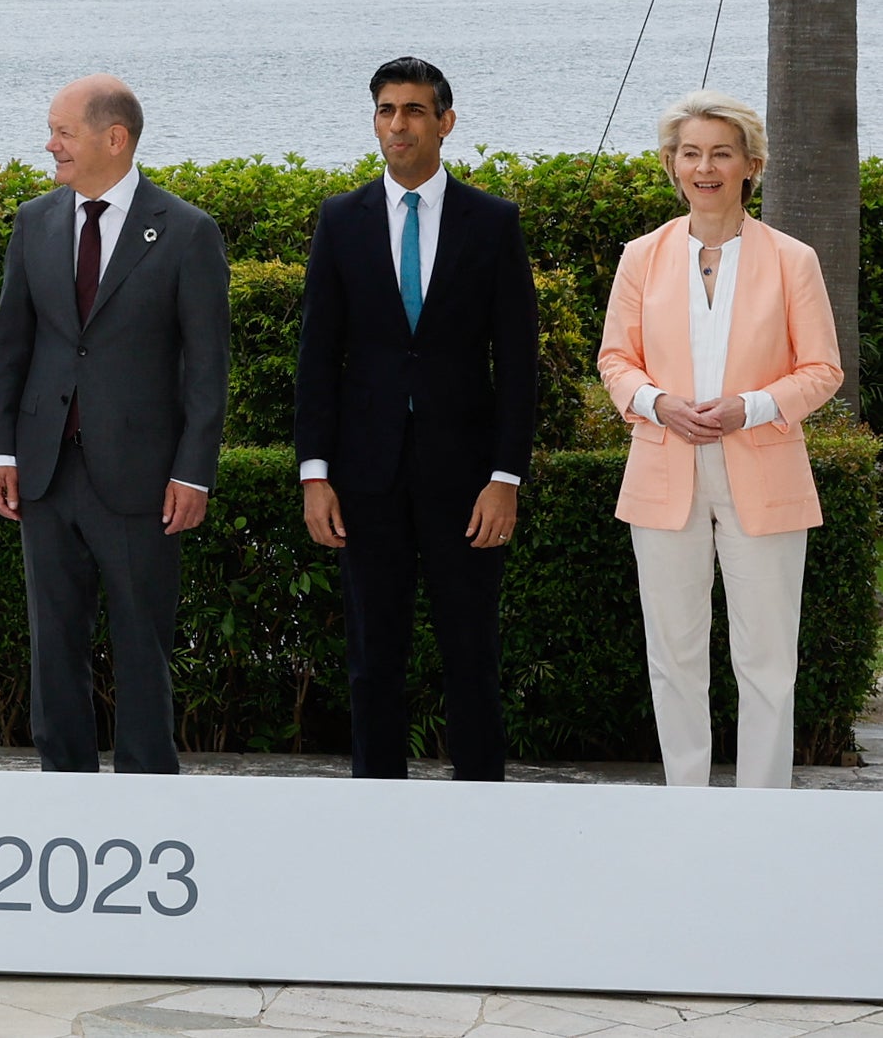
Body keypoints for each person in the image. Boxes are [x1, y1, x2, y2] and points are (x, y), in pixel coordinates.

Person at [293, 57, 538, 780]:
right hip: (364, 478)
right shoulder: (341, 218)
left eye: (412, 110)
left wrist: (504, 476)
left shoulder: (492, 222)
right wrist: (315, 473)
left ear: (445, 122)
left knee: (471, 654)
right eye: (384, 110)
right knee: (372, 657)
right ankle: (377, 806)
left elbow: (517, 363)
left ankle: (480, 805)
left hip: (466, 481)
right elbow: (317, 356)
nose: (396, 124)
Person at [597, 90, 842, 790]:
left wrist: (751, 405)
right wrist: (656, 402)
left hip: (762, 475)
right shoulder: (639, 257)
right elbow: (614, 359)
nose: (703, 166)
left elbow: (822, 368)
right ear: (671, 165)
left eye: (720, 152)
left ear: (750, 165)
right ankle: (686, 802)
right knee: (671, 654)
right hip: (661, 470)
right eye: (690, 152)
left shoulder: (791, 259)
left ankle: (760, 809)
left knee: (765, 657)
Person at [0, 75, 227, 775]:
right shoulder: (35, 221)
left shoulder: (185, 232)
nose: (49, 143)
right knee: (51, 643)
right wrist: (2, 451)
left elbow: (207, 370)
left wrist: (191, 470)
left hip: (143, 482)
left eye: (62, 131)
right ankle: (64, 791)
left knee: (141, 648)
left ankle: (148, 793)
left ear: (112, 138)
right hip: (45, 471)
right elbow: (12, 349)